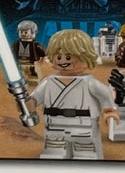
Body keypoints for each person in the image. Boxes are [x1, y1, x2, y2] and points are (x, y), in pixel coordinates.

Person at [28, 29, 120, 161]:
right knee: (54, 153)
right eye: (58, 57)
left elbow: (105, 94)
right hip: (54, 125)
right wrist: (28, 104)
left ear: (86, 57)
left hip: (83, 126)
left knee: (85, 154)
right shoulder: (48, 82)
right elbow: (34, 98)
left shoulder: (90, 83)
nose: (63, 61)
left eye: (68, 57)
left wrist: (109, 111)